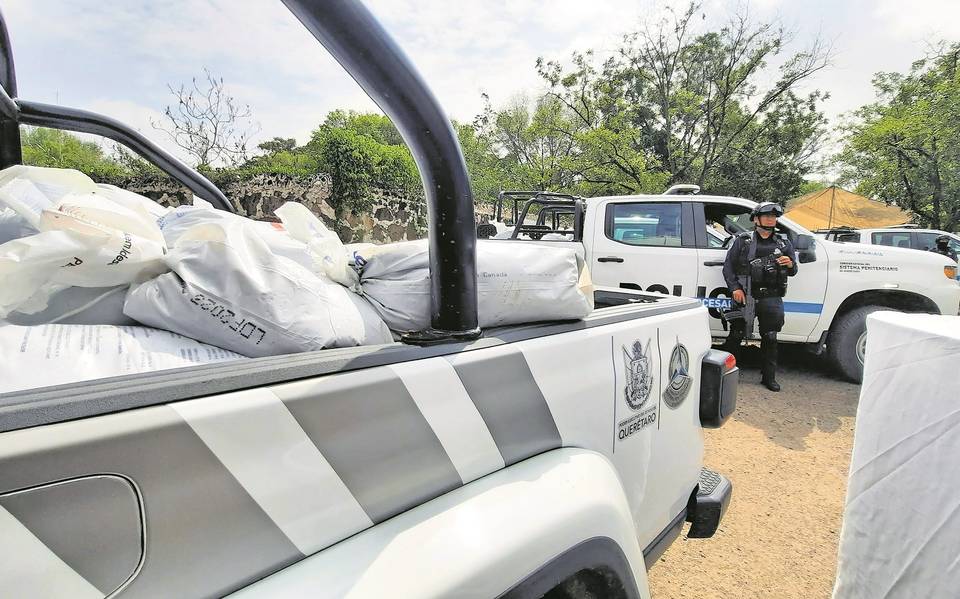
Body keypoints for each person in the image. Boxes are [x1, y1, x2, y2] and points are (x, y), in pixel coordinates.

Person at [721, 202, 798, 392]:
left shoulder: (783, 243)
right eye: (767, 216)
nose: (771, 219)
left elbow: (794, 271)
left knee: (770, 337)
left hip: (771, 297)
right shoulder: (743, 240)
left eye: (774, 216)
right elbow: (728, 267)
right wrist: (735, 289)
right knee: (736, 333)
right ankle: (725, 374)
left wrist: (789, 264)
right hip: (744, 293)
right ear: (756, 219)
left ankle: (769, 377)